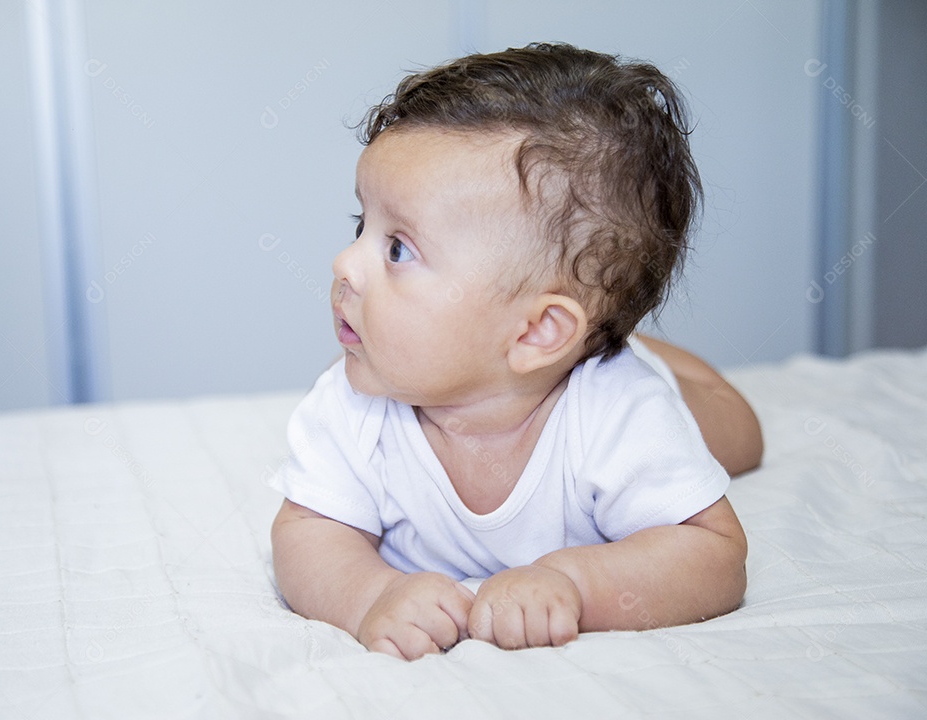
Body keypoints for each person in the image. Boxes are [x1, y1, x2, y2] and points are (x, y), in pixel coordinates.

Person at [269, 42, 763, 661]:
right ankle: (615, 335)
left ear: (535, 333)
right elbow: (307, 530)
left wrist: (576, 582)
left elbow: (714, 554)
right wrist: (371, 596)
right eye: (360, 226)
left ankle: (641, 352)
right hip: (563, 345)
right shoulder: (354, 407)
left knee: (736, 433)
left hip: (618, 375)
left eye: (398, 248)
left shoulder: (619, 412)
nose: (345, 263)